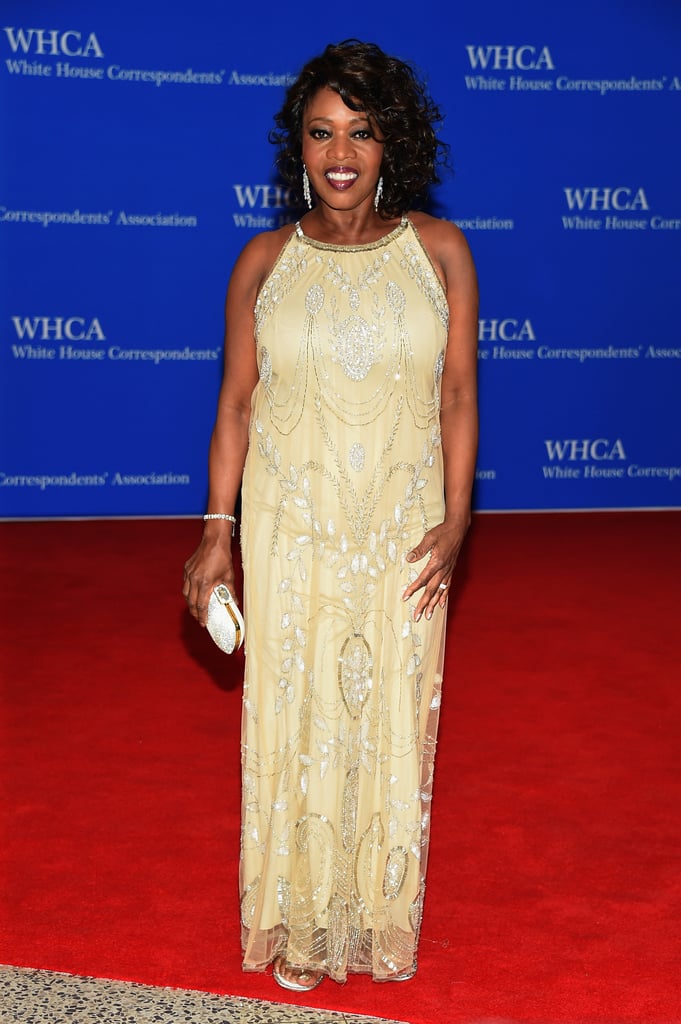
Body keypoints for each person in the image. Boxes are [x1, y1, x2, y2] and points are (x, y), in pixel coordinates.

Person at [183, 38, 479, 991]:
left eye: (360, 131)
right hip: (293, 529)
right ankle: (300, 918)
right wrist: (216, 533)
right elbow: (236, 403)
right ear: (297, 147)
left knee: (391, 712)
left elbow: (459, 395)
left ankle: (373, 915)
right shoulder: (264, 260)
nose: (339, 152)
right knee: (295, 716)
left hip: (399, 524)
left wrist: (460, 517)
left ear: (392, 142)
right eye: (320, 133)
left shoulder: (437, 249)